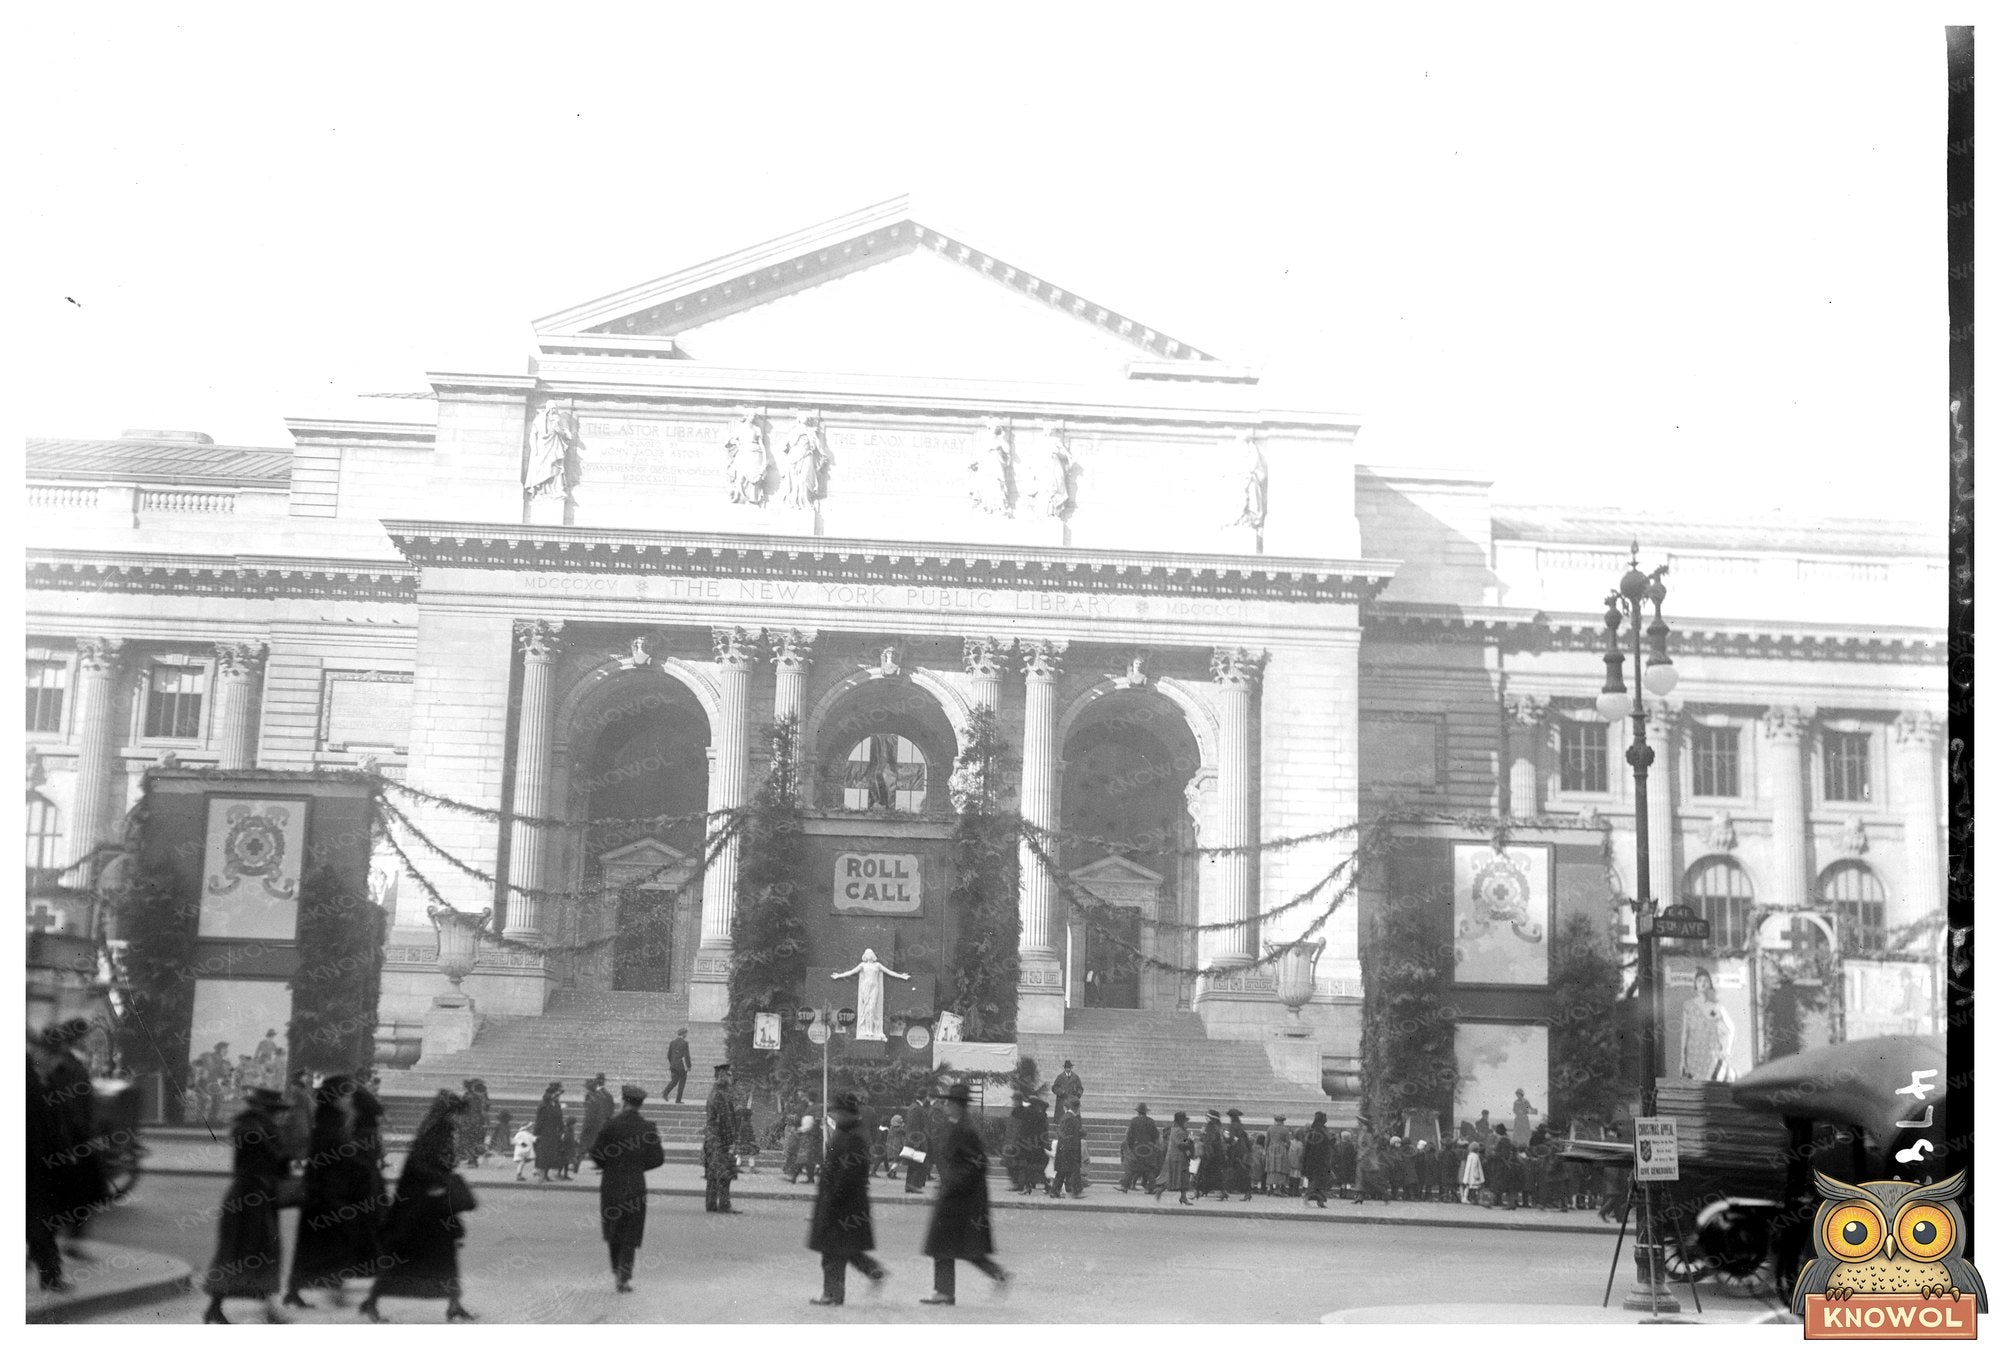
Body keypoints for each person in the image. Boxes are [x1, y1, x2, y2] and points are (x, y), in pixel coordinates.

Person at [361, 1090, 476, 1323]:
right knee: (406, 1259)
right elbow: (419, 1165)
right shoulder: (435, 1133)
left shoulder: (441, 1131)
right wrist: (441, 1179)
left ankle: (454, 1304)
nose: (461, 1119)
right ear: (449, 1114)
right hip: (421, 1209)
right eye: (458, 1114)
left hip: (432, 1206)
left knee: (443, 1257)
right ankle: (372, 1301)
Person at [284, 1075, 385, 1309]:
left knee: (320, 1247)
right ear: (335, 1099)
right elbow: (338, 1159)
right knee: (328, 1246)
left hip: (327, 1195)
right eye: (345, 1096)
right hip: (327, 1196)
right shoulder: (329, 1128)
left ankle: (299, 1290)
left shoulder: (331, 1123)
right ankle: (314, 1291)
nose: (349, 1100)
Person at [200, 1087, 295, 1324]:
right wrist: (284, 1146)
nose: (278, 1115)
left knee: (250, 1253)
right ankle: (258, 1309)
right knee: (247, 1253)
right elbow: (274, 1159)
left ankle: (218, 1309)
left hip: (255, 1197)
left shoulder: (258, 1127)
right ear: (263, 1109)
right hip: (248, 1199)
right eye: (274, 1110)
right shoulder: (253, 1129)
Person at [920, 1082, 1008, 1305]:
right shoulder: (955, 1124)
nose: (945, 1106)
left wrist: (953, 1183)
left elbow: (979, 1164)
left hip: (962, 1198)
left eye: (949, 1103)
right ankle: (992, 1276)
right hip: (957, 1195)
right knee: (959, 1246)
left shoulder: (966, 1129)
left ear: (958, 1105)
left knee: (951, 1244)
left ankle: (946, 1291)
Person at [808, 1092, 888, 1305]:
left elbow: (848, 1174)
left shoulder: (850, 1137)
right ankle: (872, 1270)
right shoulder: (850, 1133)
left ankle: (832, 1294)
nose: (834, 1115)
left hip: (841, 1203)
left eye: (836, 1111)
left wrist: (832, 1201)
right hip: (847, 1202)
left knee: (832, 1250)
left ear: (844, 1112)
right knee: (844, 1247)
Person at [32, 1020, 105, 1244]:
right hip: (67, 1139)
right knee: (77, 1191)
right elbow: (71, 1108)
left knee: (71, 1192)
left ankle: (62, 1240)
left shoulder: (63, 1065)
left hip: (66, 1138)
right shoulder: (65, 1066)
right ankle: (64, 1241)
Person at [587, 1084, 665, 1293]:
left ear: (623, 1101)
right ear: (640, 1104)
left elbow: (595, 1153)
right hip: (635, 1184)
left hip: (612, 1184)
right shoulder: (647, 1128)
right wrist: (638, 1166)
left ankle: (616, 1271)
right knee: (631, 1231)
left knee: (614, 1230)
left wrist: (610, 1165)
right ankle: (624, 1275)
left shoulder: (611, 1125)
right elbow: (658, 1159)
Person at [27, 1054, 69, 1291]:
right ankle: (50, 1275)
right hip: (36, 1168)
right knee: (40, 1223)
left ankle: (48, 1272)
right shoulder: (35, 1086)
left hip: (36, 1166)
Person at [1679, 966, 1737, 1080]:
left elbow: (1731, 1029)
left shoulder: (1717, 1007)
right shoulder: (1688, 1006)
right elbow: (1684, 1033)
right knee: (1695, 1086)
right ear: (1695, 984)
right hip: (1693, 1056)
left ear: (1710, 984)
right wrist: (1682, 1058)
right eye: (1699, 980)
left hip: (1712, 1056)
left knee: (1712, 1085)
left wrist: (1727, 1050)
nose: (1703, 983)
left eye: (1706, 980)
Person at [703, 1064, 740, 1212]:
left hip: (713, 1137)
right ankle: (724, 1205)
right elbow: (725, 1119)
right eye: (729, 1075)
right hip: (720, 1138)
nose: (731, 1078)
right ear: (722, 1076)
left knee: (713, 1172)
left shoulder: (716, 1092)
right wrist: (731, 1140)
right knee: (725, 1173)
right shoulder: (721, 1095)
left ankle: (711, 1204)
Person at [1119, 1102, 1160, 1193]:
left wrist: (1130, 1145)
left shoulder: (1134, 1121)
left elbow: (1130, 1135)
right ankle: (1151, 1187)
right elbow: (1155, 1135)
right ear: (1146, 1112)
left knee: (1132, 1167)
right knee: (1149, 1167)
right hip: (1148, 1147)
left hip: (1137, 1146)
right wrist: (1153, 1144)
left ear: (1138, 1112)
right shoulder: (1151, 1121)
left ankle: (1125, 1186)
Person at [1049, 1101, 1085, 1198]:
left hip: (1067, 1148)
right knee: (1072, 1170)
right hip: (1069, 1149)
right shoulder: (1069, 1118)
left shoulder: (1069, 1117)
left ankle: (1055, 1191)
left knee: (1063, 1171)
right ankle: (1075, 1191)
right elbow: (1066, 1134)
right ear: (1077, 1107)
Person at [1158, 1110, 1194, 1205]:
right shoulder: (1179, 1131)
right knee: (1182, 1178)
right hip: (1179, 1158)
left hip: (1176, 1157)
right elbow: (1181, 1143)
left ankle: (1182, 1196)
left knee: (1177, 1178)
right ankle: (1161, 1189)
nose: (1186, 1123)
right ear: (1181, 1121)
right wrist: (1189, 1140)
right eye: (1185, 1121)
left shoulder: (1175, 1129)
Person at [902, 1092, 934, 1193]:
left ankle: (909, 1185)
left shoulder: (914, 1107)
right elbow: (915, 1126)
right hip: (917, 1139)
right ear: (925, 1097)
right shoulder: (917, 1108)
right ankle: (913, 1185)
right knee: (917, 1164)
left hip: (916, 1139)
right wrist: (917, 1141)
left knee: (914, 1163)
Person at [532, 1082, 564, 1182]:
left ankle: (545, 1174)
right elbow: (539, 1121)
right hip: (544, 1133)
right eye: (557, 1095)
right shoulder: (544, 1106)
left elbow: (560, 1119)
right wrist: (536, 1133)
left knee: (551, 1154)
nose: (559, 1097)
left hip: (554, 1133)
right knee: (543, 1154)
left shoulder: (556, 1105)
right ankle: (541, 1175)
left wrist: (562, 1130)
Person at [1300, 1111, 1333, 1208]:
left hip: (1322, 1160)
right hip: (1316, 1161)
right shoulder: (1316, 1131)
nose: (1326, 1119)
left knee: (1322, 1181)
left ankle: (1320, 1200)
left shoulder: (1321, 1130)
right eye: (1324, 1117)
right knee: (1315, 1181)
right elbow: (1313, 1147)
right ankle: (1306, 1198)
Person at [579, 1074, 614, 1160]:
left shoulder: (592, 1095)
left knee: (589, 1141)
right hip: (601, 1122)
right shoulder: (607, 1095)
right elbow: (610, 1111)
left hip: (594, 1122)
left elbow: (589, 1111)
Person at [1223, 1109, 1254, 1201]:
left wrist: (1225, 1136)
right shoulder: (1241, 1126)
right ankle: (1246, 1192)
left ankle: (1226, 1191)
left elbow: (1231, 1139)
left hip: (1236, 1152)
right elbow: (1245, 1139)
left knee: (1234, 1171)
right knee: (1242, 1172)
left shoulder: (1232, 1126)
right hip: (1243, 1152)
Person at [1196, 1110, 1224, 1199]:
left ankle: (1201, 1191)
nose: (1205, 1118)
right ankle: (1215, 1191)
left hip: (1209, 1153)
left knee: (1205, 1172)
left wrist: (1202, 1134)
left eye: (1207, 1116)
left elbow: (1208, 1140)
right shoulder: (1218, 1126)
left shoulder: (1209, 1127)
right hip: (1217, 1153)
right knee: (1215, 1173)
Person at [1490, 1125, 1518, 1210]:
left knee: (1502, 1184)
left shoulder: (1503, 1141)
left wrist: (1493, 1154)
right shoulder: (1507, 1140)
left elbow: (1502, 1154)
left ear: (1498, 1132)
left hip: (1503, 1165)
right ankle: (1498, 1201)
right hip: (1506, 1165)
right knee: (1505, 1184)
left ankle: (1509, 1203)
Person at [1265, 1116, 1293, 1195]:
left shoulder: (1270, 1129)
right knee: (1280, 1168)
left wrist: (1266, 1150)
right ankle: (1277, 1188)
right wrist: (1287, 1146)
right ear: (1282, 1121)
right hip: (1281, 1149)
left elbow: (1266, 1141)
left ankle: (1270, 1187)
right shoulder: (1285, 1130)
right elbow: (1288, 1142)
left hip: (1271, 1149)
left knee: (1271, 1168)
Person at [664, 1030, 691, 1104]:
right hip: (681, 1066)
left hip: (673, 1066)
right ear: (683, 1034)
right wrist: (689, 1066)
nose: (686, 1035)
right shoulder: (685, 1043)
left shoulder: (672, 1042)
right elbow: (687, 1055)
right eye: (686, 1033)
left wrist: (672, 1063)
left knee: (674, 1081)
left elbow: (668, 1055)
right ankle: (678, 1100)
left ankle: (665, 1092)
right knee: (682, 1082)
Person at [884, 1114, 907, 1180]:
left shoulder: (891, 1128)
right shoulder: (899, 1129)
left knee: (895, 1160)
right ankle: (891, 1171)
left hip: (891, 1146)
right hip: (897, 1146)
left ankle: (893, 1173)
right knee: (898, 1160)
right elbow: (904, 1132)